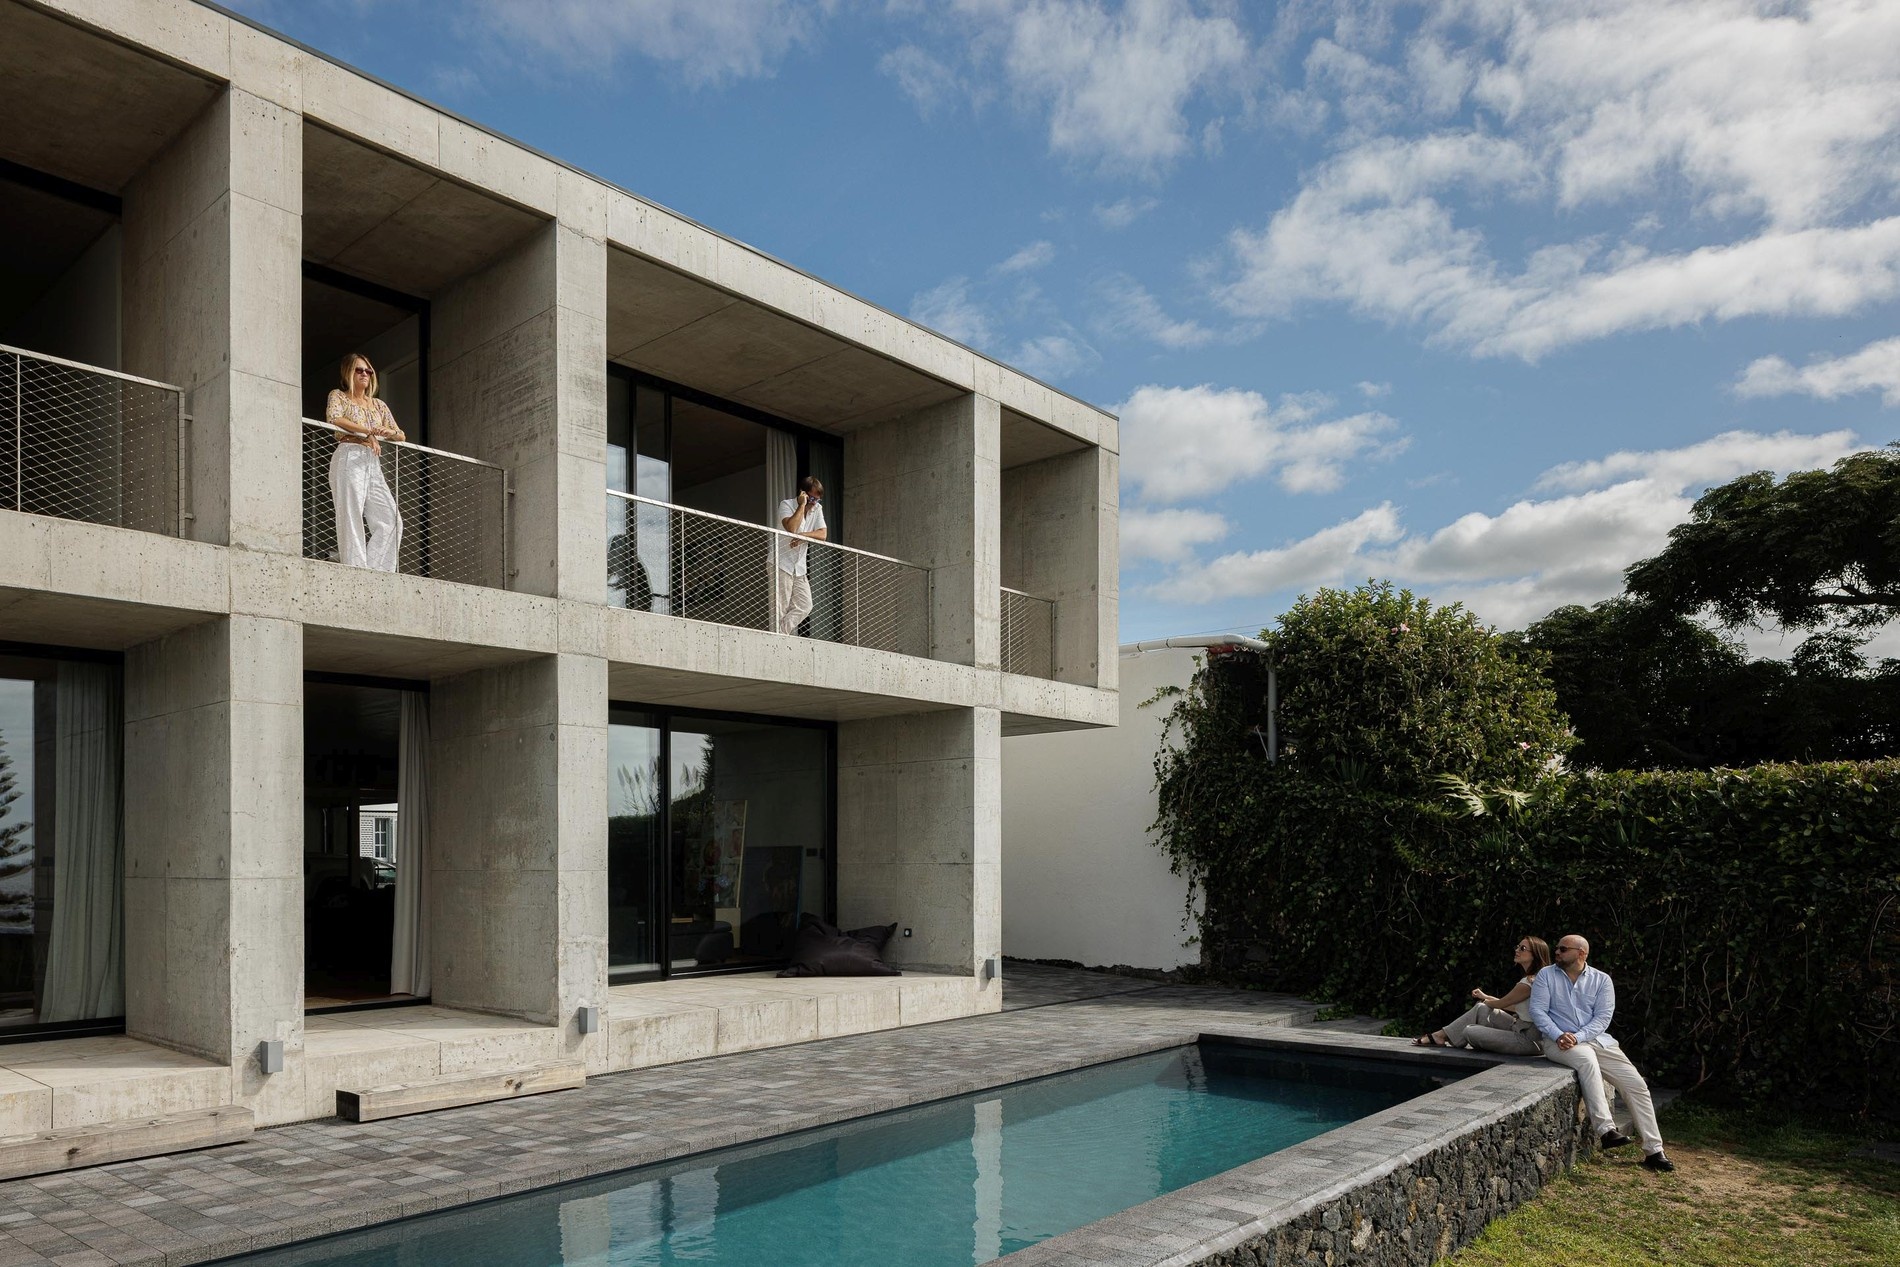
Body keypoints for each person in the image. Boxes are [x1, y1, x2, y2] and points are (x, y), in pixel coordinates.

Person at [1529, 934, 1675, 1172]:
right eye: (1557, 948)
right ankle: (1606, 1131)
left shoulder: (1602, 980)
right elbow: (1538, 1011)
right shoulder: (1546, 975)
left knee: (1637, 1085)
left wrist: (1578, 1036)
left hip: (1598, 1041)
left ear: (1581, 953)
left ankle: (1654, 1151)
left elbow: (1603, 1018)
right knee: (1587, 1060)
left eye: (1563, 949)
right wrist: (1559, 1035)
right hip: (1558, 1042)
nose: (1557, 952)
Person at [325, 352, 404, 572]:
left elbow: (400, 435)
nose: (365, 374)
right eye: (359, 370)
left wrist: (386, 432)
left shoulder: (378, 405)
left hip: (372, 460)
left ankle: (378, 572)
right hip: (349, 454)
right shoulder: (339, 396)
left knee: (391, 519)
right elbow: (335, 418)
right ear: (348, 373)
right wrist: (367, 432)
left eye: (368, 370)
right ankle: (355, 568)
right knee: (351, 513)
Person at [1414, 936, 1551, 1054]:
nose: (1517, 950)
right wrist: (1485, 997)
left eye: (1523, 948)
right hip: (1520, 1028)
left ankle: (1441, 1036)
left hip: (1528, 1041)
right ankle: (1440, 1035)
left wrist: (1486, 1001)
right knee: (1481, 1008)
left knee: (1469, 1031)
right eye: (1518, 946)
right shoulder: (1535, 978)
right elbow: (1513, 1006)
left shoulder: (1528, 983)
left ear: (1535, 954)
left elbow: (1502, 1004)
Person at [774, 475, 827, 635]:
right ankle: (777, 638)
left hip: (799, 568)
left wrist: (803, 536)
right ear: (802, 493)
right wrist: (802, 505)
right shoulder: (786, 505)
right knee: (780, 608)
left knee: (805, 605)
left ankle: (781, 633)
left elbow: (823, 534)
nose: (814, 503)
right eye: (811, 498)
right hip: (781, 563)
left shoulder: (817, 509)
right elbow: (791, 528)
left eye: (817, 499)